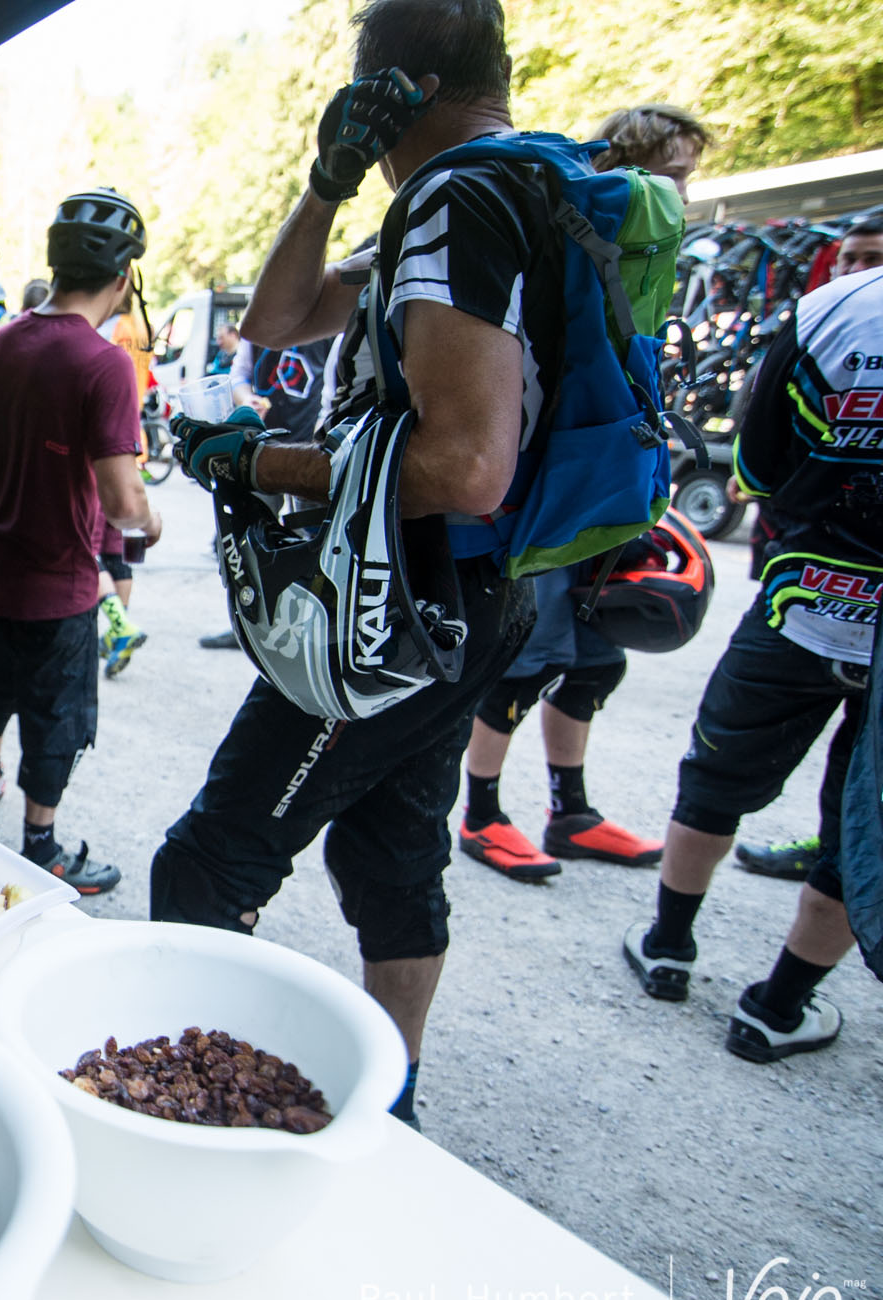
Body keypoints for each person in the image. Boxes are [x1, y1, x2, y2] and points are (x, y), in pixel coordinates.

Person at [151, 0, 574, 1128]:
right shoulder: (512, 187)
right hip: (480, 595)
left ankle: (196, 1121)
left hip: (407, 597)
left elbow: (465, 465)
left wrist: (259, 460)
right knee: (393, 857)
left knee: (206, 864)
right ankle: (394, 1111)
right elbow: (276, 319)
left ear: (391, 88)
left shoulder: (454, 199)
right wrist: (327, 181)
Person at [622, 255, 883, 1065]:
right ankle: (778, 1007)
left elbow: (757, 468)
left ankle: (668, 947)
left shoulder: (837, 310)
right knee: (863, 829)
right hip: (818, 609)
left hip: (802, 601)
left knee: (716, 779)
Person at [454, 103, 709, 882]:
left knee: (597, 659)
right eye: (674, 175)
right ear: (629, 167)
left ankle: (571, 812)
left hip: (608, 477)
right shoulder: (571, 231)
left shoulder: (643, 251)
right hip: (554, 482)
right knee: (528, 660)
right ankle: (481, 813)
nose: (684, 194)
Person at [0, 189, 162, 892]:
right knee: (57, 717)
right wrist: (153, 519)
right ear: (124, 278)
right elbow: (124, 503)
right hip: (56, 580)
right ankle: (42, 847)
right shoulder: (103, 363)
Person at [730, 215, 883, 880]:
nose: (858, 271)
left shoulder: (822, 321)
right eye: (850, 258)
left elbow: (758, 465)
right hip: (802, 583)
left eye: (873, 258)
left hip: (816, 589)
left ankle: (833, 856)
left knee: (861, 788)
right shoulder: (819, 320)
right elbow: (755, 461)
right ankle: (829, 854)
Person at [198, 330, 339, 650]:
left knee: (317, 544)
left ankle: (313, 627)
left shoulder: (327, 327)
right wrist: (246, 399)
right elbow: (239, 375)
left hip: (314, 451)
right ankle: (249, 623)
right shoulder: (259, 327)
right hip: (262, 450)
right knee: (245, 542)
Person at [96, 291, 154, 677]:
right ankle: (122, 628)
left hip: (102, 446)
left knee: (89, 547)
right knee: (117, 546)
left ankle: (120, 627)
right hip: (132, 439)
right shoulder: (141, 328)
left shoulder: (105, 329)